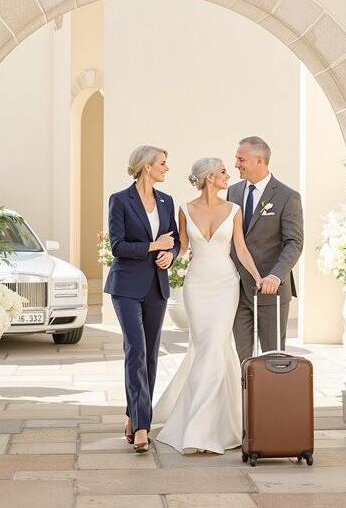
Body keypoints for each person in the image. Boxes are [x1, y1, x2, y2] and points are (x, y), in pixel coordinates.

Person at [154, 157, 263, 454]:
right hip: (197, 285)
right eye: (223, 171)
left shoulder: (234, 210)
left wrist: (258, 277)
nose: (229, 175)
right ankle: (209, 425)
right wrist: (169, 256)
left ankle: (201, 430)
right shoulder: (185, 209)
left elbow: (241, 250)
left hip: (225, 284)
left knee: (215, 346)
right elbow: (183, 246)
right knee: (205, 348)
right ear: (210, 177)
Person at [104, 145, 179, 453]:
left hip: (156, 287)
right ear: (147, 166)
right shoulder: (120, 200)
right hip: (126, 287)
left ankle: (134, 416)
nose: (166, 168)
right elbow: (117, 246)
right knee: (135, 349)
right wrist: (152, 246)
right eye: (162, 163)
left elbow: (174, 239)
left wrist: (170, 255)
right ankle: (142, 428)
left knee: (150, 356)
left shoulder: (166, 200)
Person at [228, 136, 304, 362]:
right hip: (237, 289)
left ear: (259, 160)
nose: (236, 165)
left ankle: (271, 390)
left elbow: (294, 242)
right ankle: (244, 388)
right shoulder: (233, 192)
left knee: (272, 358)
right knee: (243, 359)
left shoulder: (287, 196)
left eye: (241, 159)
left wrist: (276, 276)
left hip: (270, 290)